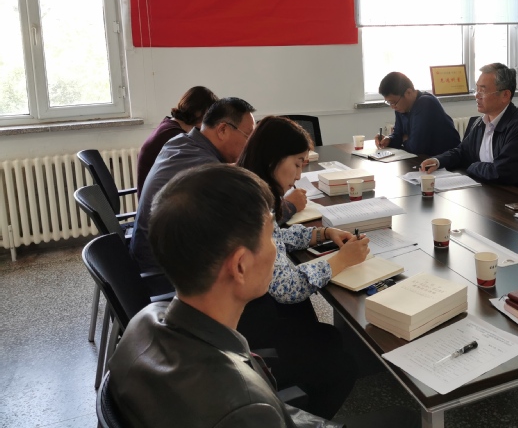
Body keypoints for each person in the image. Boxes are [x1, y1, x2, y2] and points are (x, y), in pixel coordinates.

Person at [107, 164, 420, 428]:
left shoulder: (141, 324)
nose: (276, 250)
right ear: (240, 266)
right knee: (404, 419)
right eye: (271, 236)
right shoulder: (246, 405)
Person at [237, 116, 370, 418]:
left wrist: (320, 234)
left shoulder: (247, 186)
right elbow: (287, 289)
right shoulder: (255, 202)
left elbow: (274, 237)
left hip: (247, 308)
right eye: (297, 164)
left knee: (327, 335)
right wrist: (341, 260)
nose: (298, 176)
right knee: (342, 366)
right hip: (250, 321)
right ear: (273, 158)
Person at [130, 97, 256, 273]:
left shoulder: (180, 141)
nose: (250, 145)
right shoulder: (206, 169)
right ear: (223, 130)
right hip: (165, 273)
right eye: (248, 136)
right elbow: (245, 224)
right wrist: (288, 206)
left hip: (150, 255)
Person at [420, 63, 518, 195]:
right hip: (491, 192)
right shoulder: (480, 122)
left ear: (505, 95)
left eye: (483, 90)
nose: (477, 95)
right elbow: (462, 152)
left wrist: (473, 166)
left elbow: (502, 173)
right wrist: (438, 161)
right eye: (477, 89)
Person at [136, 86, 218, 196]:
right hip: (156, 202)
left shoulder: (168, 125)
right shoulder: (176, 136)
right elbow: (201, 168)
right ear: (201, 113)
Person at [374, 72, 461, 155]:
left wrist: (403, 139)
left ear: (408, 92)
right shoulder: (401, 107)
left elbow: (416, 148)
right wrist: (389, 139)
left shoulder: (425, 103)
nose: (392, 107)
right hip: (425, 159)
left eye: (393, 102)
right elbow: (398, 135)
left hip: (446, 159)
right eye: (389, 103)